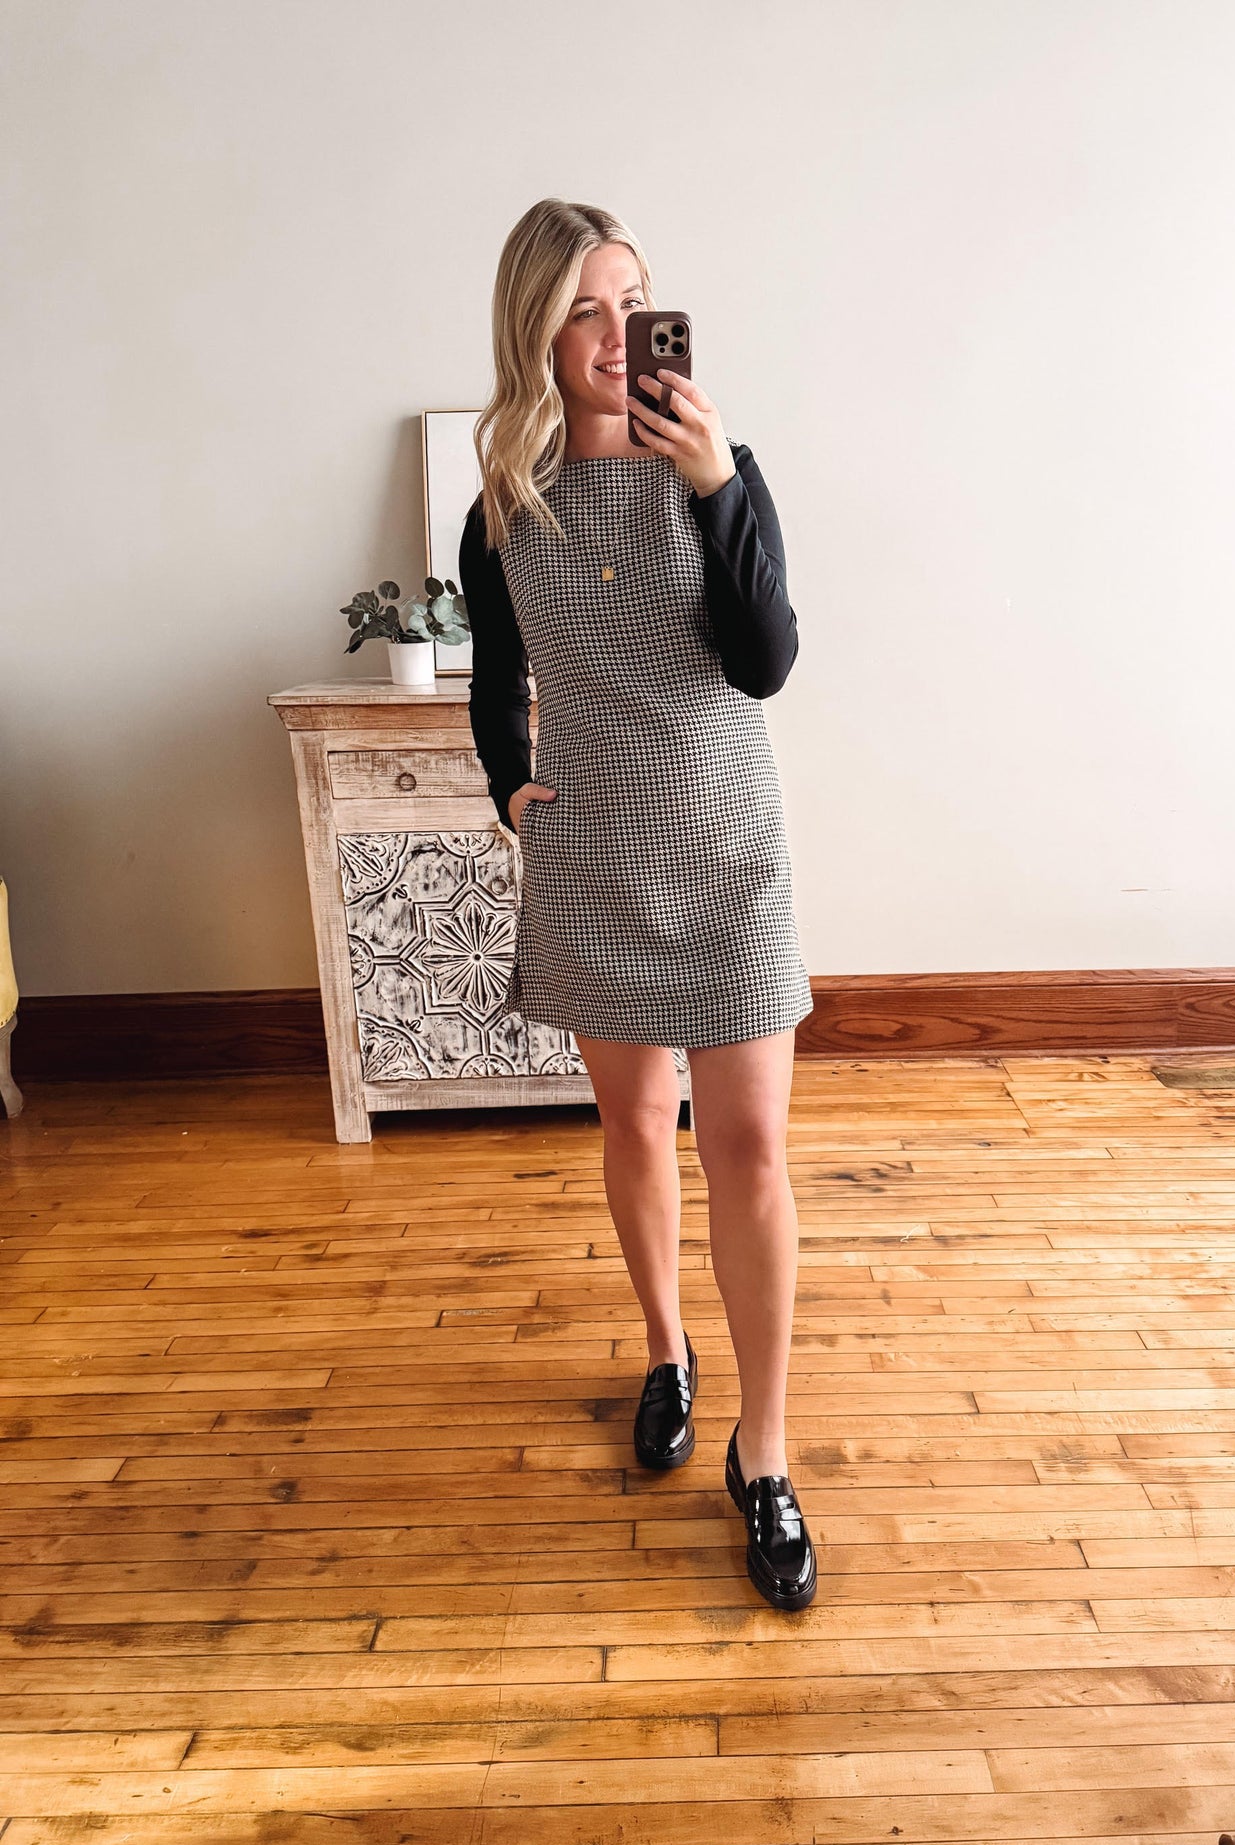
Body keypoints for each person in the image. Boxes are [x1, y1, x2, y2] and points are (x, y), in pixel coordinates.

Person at [457, 198, 816, 1612]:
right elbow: (497, 676)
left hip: (725, 849)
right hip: (595, 853)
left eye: (635, 303)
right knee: (628, 1123)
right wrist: (507, 785)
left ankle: (764, 1450)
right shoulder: (502, 501)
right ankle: (665, 1354)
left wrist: (719, 485)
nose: (617, 336)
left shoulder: (722, 469)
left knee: (752, 1150)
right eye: (587, 311)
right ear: (538, 335)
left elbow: (767, 659)